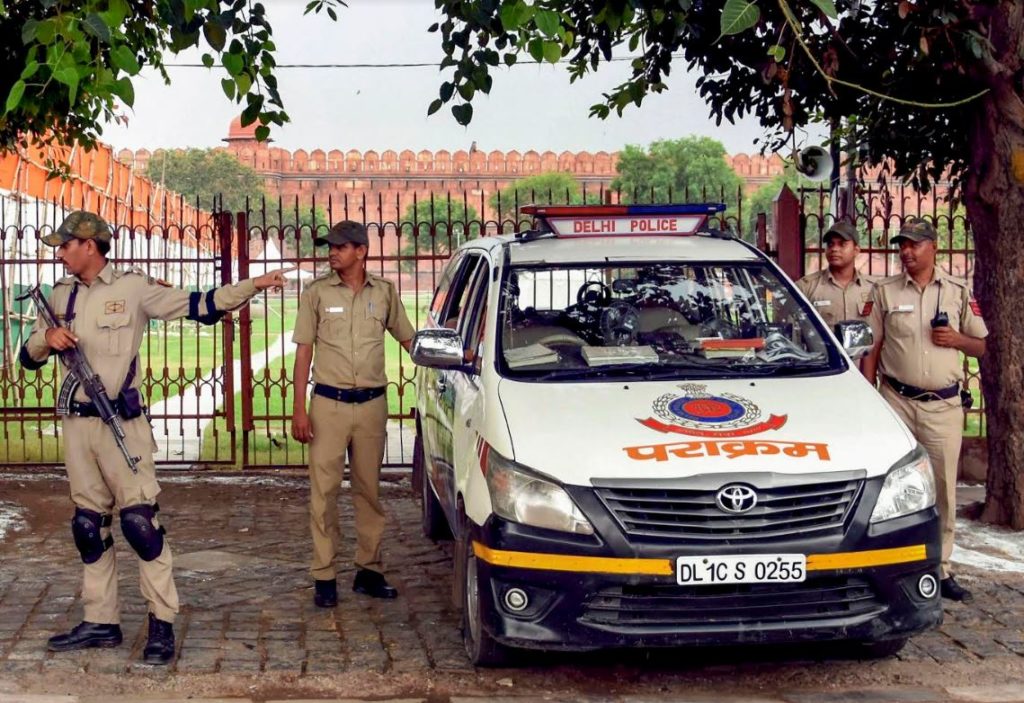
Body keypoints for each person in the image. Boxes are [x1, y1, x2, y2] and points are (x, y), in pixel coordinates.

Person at [19, 211, 291, 664]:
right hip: (77, 426)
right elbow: (28, 358)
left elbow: (202, 305)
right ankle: (101, 620)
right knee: (88, 525)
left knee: (140, 524)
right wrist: (46, 338)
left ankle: (161, 623)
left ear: (90, 245)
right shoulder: (59, 295)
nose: (60, 252)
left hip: (122, 427)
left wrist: (253, 286)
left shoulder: (132, 288)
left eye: (66, 244)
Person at [290, 220, 415, 607]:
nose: (332, 252)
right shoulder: (315, 293)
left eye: (340, 247)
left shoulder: (386, 293)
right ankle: (324, 574)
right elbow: (303, 351)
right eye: (330, 247)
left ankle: (369, 570)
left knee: (369, 491)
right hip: (328, 405)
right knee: (323, 493)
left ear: (360, 251)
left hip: (372, 406)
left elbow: (408, 339)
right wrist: (299, 408)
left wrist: (446, 366)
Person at [862, 217, 987, 603]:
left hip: (943, 406)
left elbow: (981, 346)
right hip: (895, 401)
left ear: (933, 247)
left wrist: (957, 339)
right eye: (902, 245)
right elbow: (872, 348)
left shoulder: (957, 291)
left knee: (945, 490)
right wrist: (869, 397)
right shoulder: (884, 292)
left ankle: (942, 568)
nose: (907, 251)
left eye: (915, 244)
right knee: (888, 488)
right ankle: (890, 565)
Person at [795, 219, 877, 328]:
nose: (834, 249)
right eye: (830, 244)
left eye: (842, 244)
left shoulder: (874, 288)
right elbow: (794, 330)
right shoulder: (806, 287)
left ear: (856, 250)